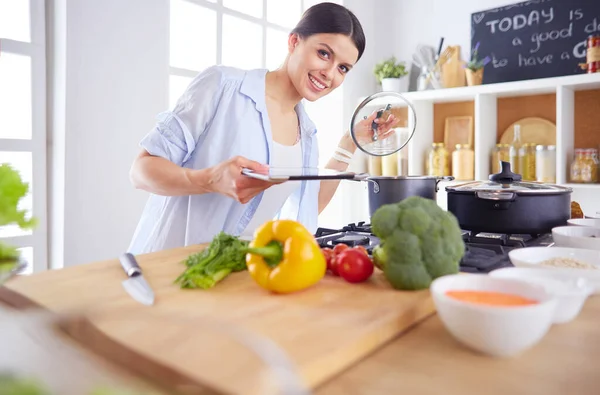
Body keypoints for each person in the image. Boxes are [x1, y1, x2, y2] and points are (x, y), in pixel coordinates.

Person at [127, 2, 396, 254]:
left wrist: (349, 142)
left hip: (235, 279)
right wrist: (208, 179)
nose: (330, 73)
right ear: (294, 41)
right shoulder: (222, 86)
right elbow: (141, 172)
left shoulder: (307, 134)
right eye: (324, 53)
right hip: (168, 267)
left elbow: (308, 208)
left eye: (343, 68)